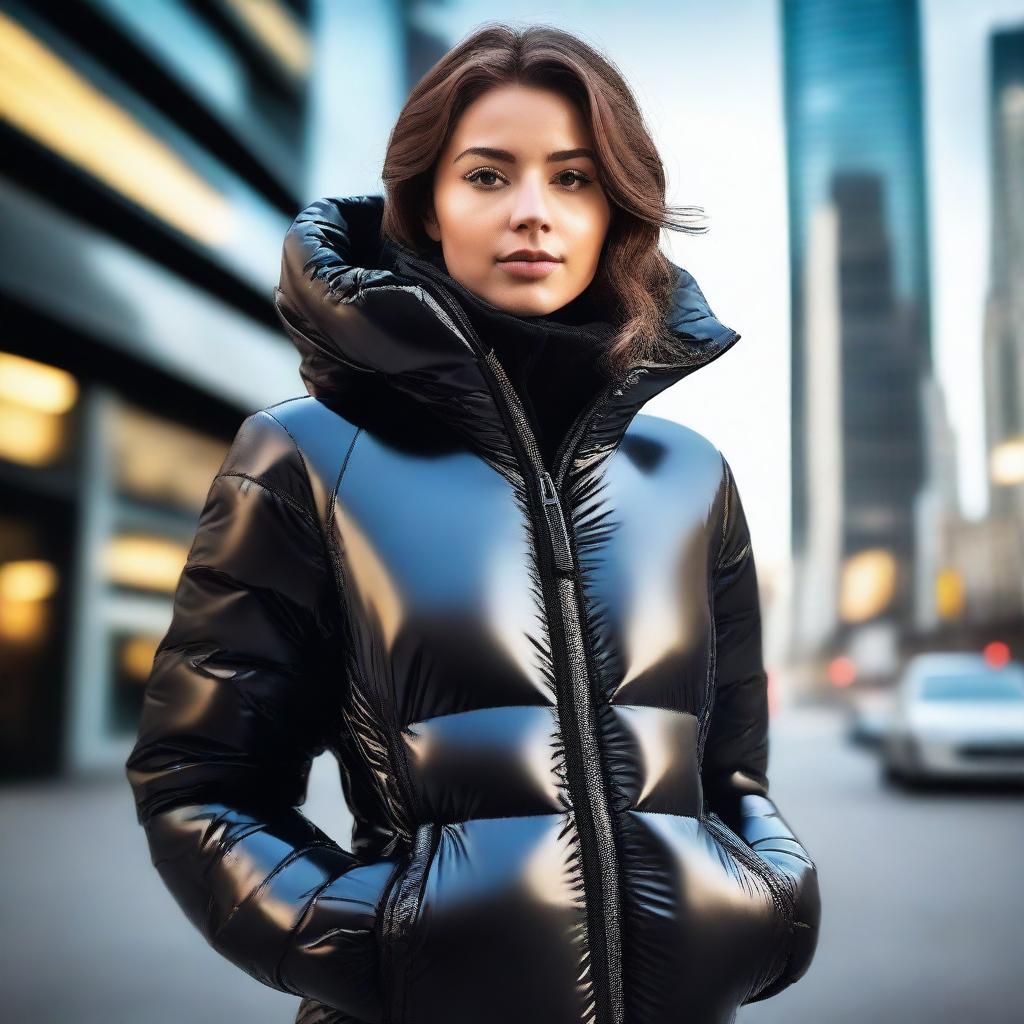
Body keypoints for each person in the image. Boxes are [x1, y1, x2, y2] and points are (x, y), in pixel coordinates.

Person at [125, 22, 821, 1024]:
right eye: (488, 177)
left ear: (615, 210)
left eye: (573, 178)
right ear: (425, 208)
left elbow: (731, 773)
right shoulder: (307, 458)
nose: (532, 213)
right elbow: (199, 782)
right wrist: (374, 937)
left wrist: (770, 899)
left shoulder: (688, 475)